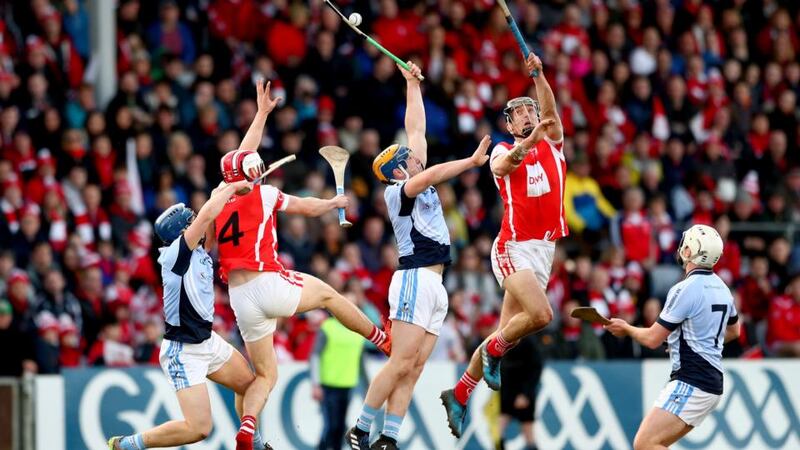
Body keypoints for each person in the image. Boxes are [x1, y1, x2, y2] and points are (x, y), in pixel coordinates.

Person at [214, 80, 391, 450]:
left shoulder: (220, 196)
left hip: (239, 298)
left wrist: (261, 114)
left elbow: (242, 158)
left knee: (263, 375)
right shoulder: (264, 194)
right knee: (328, 296)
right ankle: (382, 338)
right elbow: (306, 206)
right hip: (268, 283)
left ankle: (249, 431)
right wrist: (331, 202)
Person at [346, 61, 491, 450]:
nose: (416, 156)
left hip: (436, 281)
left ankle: (388, 437)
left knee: (414, 366)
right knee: (399, 361)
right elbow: (433, 175)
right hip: (414, 278)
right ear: (398, 169)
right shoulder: (400, 191)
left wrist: (412, 84)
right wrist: (471, 162)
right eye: (408, 158)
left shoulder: (411, 175)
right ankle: (360, 428)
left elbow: (417, 128)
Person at [441, 51, 564, 438]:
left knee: (503, 332)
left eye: (531, 110)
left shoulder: (554, 143)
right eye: (519, 114)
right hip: (513, 247)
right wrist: (528, 142)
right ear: (509, 124)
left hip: (544, 252)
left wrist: (539, 76)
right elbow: (501, 167)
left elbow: (551, 113)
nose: (528, 116)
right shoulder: (502, 149)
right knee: (541, 317)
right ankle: (492, 354)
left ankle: (459, 392)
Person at [107, 180, 271, 450]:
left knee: (250, 386)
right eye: (191, 221)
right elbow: (207, 214)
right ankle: (127, 445)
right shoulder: (174, 256)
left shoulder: (198, 251)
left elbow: (212, 217)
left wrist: (229, 183)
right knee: (198, 429)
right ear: (183, 230)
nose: (197, 221)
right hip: (183, 351)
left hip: (207, 340)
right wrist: (231, 188)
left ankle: (253, 443)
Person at [605, 224, 739, 450]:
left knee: (645, 443)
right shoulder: (722, 288)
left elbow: (651, 339)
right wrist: (687, 341)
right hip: (710, 381)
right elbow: (734, 331)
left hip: (693, 379)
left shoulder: (685, 288)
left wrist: (627, 328)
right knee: (657, 443)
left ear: (689, 251)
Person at [311, 291, 366, 450]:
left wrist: (367, 390)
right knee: (332, 426)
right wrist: (316, 384)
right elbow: (315, 356)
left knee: (339, 426)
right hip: (328, 385)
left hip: (348, 385)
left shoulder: (359, 330)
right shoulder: (328, 327)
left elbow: (361, 364)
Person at [497, 335, 542, 450]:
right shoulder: (505, 337)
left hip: (522, 388)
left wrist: (525, 393)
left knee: (527, 428)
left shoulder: (528, 341)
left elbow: (536, 369)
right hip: (507, 388)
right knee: (499, 426)